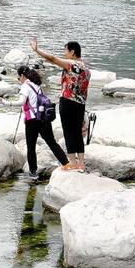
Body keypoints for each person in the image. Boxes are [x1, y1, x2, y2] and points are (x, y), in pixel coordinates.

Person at [30, 38, 90, 172]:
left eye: (66, 51)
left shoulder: (71, 64)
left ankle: (73, 163)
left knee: (68, 132)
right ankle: (81, 163)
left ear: (72, 52)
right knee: (77, 132)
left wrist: (37, 50)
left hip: (68, 101)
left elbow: (52, 58)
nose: (64, 54)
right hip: (80, 104)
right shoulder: (86, 68)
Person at [18, 66, 69, 182]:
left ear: (22, 76)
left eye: (19, 77)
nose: (19, 80)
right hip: (43, 119)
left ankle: (33, 173)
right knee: (52, 143)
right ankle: (66, 164)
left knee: (31, 147)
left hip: (32, 121)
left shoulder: (25, 86)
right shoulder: (37, 85)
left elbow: (21, 102)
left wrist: (6, 102)